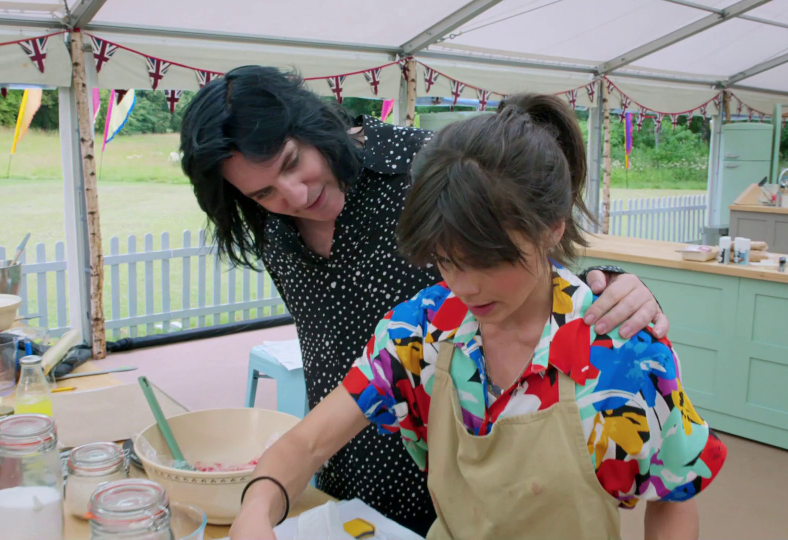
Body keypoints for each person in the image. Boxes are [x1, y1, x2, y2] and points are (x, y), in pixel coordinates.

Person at [180, 66, 670, 535]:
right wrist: (261, 503)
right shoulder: (389, 319)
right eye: (264, 192)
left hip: (456, 459)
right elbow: (321, 403)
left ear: (313, 124)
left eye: (292, 162)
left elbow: (529, 256)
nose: (295, 193)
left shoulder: (430, 169)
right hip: (345, 457)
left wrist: (604, 286)